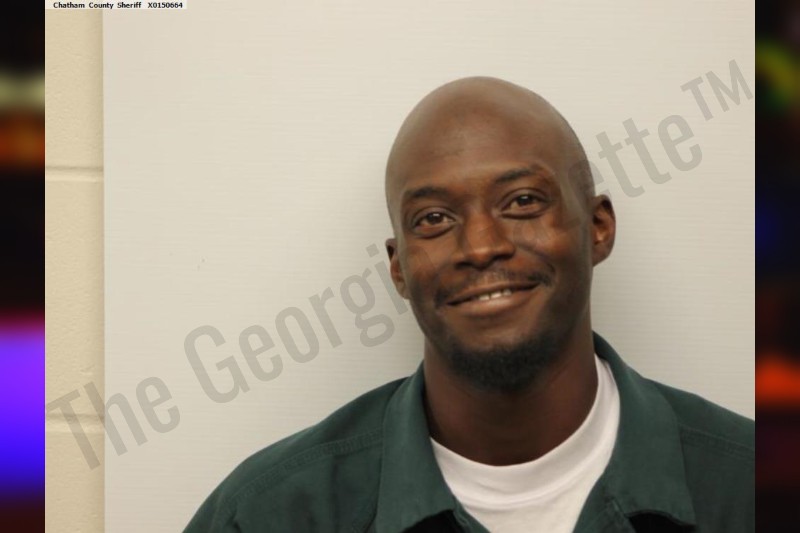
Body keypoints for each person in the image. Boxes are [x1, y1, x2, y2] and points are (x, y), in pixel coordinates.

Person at [185, 77, 754, 533]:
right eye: (433, 218)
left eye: (522, 201)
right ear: (399, 267)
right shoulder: (268, 515)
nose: (481, 247)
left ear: (598, 227)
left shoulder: (753, 487)